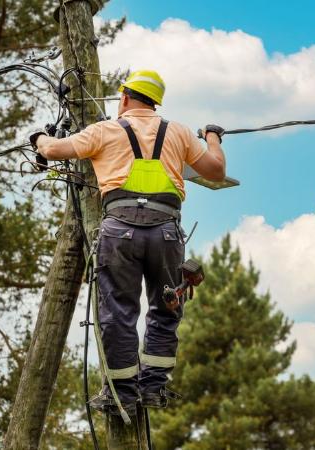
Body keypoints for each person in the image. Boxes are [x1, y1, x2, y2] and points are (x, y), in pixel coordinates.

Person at [29, 70, 226, 414]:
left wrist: (39, 141)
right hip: (166, 232)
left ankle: (121, 394)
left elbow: (57, 150)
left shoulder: (105, 131)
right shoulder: (178, 132)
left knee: (117, 312)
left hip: (119, 230)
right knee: (166, 308)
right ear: (155, 102)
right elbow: (216, 171)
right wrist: (211, 137)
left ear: (123, 98)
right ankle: (153, 388)